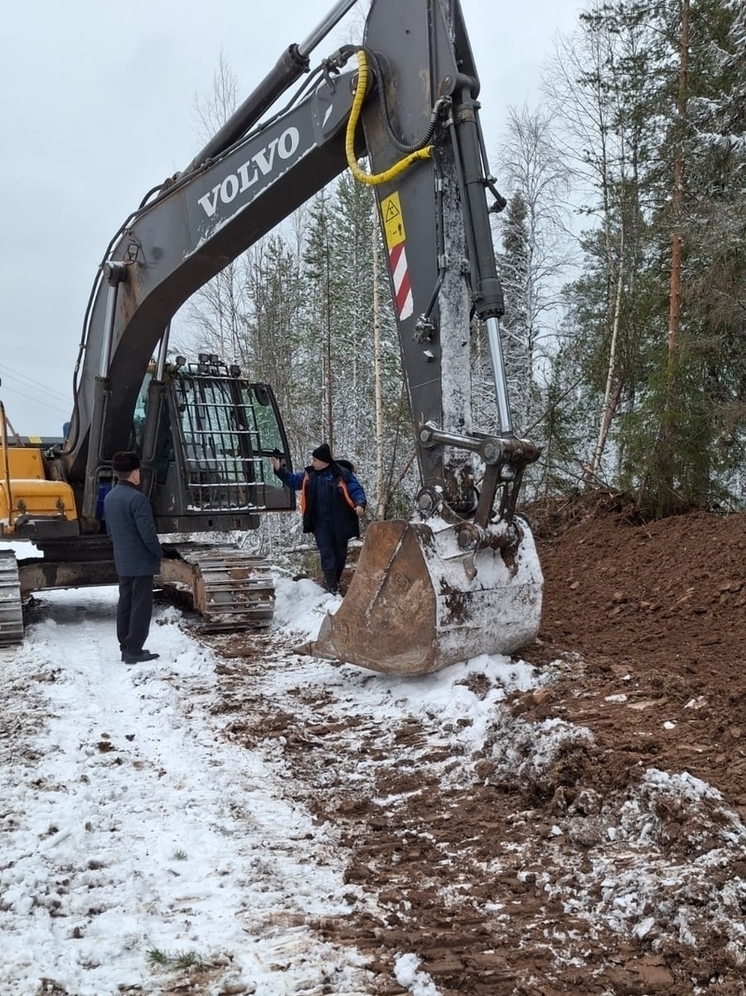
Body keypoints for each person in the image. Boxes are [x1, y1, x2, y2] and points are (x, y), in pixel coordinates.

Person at [271, 442, 366, 595]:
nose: (312, 462)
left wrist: (360, 504)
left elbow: (356, 490)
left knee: (340, 555)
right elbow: (293, 481)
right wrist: (279, 470)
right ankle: (332, 588)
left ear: (323, 461)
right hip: (319, 523)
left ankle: (335, 581)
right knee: (326, 552)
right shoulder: (310, 475)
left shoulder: (342, 474)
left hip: (340, 522)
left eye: (314, 460)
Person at [103, 451, 163, 664]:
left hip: (123, 561)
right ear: (134, 472)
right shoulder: (138, 499)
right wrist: (158, 552)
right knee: (141, 605)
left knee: (125, 602)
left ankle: (125, 646)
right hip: (141, 562)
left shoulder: (109, 497)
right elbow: (147, 534)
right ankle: (135, 649)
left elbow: (110, 531)